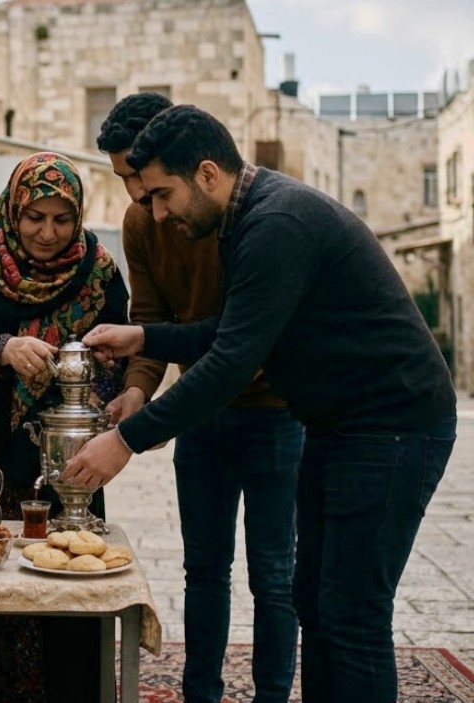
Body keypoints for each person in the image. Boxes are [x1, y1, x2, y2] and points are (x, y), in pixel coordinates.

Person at [66, 105, 457, 703]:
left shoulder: (276, 222)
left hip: (392, 428)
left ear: (207, 173)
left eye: (165, 194)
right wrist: (146, 337)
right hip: (337, 427)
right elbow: (235, 329)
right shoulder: (250, 217)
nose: (159, 212)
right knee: (315, 603)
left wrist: (124, 440)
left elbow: (230, 362)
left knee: (352, 614)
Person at [96, 93, 303, 703]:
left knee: (274, 574)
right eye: (127, 181)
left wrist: (142, 429)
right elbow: (154, 321)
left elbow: (241, 347)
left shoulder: (244, 218)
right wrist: (137, 391)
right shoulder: (142, 224)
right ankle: (200, 693)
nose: (137, 198)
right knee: (204, 572)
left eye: (142, 179)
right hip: (202, 419)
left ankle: (271, 694)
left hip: (274, 414)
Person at [0, 151, 129, 703]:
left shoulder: (98, 270)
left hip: (61, 461)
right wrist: (4, 348)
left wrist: (93, 409)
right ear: (15, 210)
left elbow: (116, 354)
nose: (48, 233)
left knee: (62, 573)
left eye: (62, 219)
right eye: (35, 217)